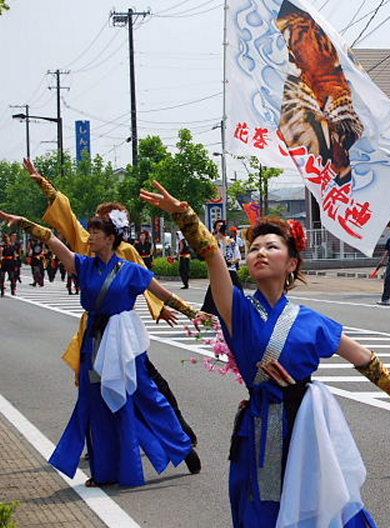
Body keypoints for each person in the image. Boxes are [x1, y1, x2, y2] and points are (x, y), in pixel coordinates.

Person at [140, 181, 390, 528]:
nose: (259, 252)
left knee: (320, 514)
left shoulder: (311, 321)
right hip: (259, 433)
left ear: (291, 263)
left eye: (271, 246)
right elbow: (213, 255)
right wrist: (184, 214)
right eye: (254, 248)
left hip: (308, 432)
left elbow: (361, 356)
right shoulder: (239, 312)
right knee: (261, 516)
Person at [0, 208, 202, 487]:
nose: (90, 238)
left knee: (149, 397)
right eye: (91, 233)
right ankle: (104, 471)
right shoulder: (83, 265)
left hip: (125, 344)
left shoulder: (130, 269)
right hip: (94, 342)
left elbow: (160, 292)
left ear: (110, 239)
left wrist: (192, 313)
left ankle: (182, 445)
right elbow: (54, 242)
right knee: (96, 404)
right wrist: (25, 223)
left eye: (95, 234)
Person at [22, 158, 198, 445]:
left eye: (102, 227)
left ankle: (178, 435)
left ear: (112, 234)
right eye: (96, 225)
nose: (93, 233)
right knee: (91, 388)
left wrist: (161, 307)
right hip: (92, 328)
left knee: (147, 384)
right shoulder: (84, 243)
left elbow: (146, 281)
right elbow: (63, 210)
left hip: (120, 329)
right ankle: (101, 445)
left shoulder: (126, 252)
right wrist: (41, 182)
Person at [201, 219, 243, 316]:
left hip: (230, 269)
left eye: (222, 226)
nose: (221, 228)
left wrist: (230, 262)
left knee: (238, 290)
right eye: (219, 226)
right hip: (217, 270)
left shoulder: (231, 242)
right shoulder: (212, 241)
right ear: (215, 228)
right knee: (212, 292)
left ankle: (240, 310)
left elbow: (237, 257)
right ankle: (207, 313)